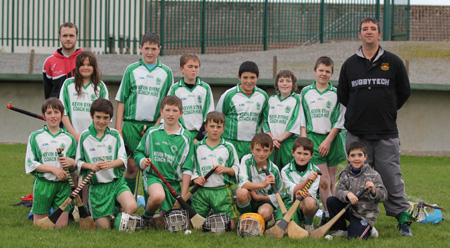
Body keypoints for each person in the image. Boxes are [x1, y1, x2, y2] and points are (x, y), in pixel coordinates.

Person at [337, 17, 412, 236]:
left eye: (373, 29)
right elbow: (343, 95)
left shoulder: (393, 61)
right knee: (356, 179)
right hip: (357, 133)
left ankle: (403, 220)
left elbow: (404, 92)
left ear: (380, 34)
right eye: (364, 29)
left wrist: (386, 110)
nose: (369, 32)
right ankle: (362, 220)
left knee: (390, 178)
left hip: (385, 131)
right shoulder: (350, 64)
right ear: (359, 34)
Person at [115, 33, 174, 195]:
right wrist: (119, 129)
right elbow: (121, 100)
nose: (150, 52)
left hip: (154, 125)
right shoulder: (132, 69)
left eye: (153, 49)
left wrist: (155, 127)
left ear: (159, 49)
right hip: (131, 124)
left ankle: (150, 209)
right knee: (132, 165)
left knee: (152, 166)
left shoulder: (166, 72)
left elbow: (168, 104)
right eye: (146, 48)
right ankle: (127, 205)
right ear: (141, 48)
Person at [76, 98, 137, 229]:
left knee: (132, 206)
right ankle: (113, 216)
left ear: (110, 118)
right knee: (104, 228)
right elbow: (78, 163)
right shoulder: (85, 136)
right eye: (98, 117)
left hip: (116, 183)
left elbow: (123, 159)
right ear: (92, 116)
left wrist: (109, 164)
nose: (102, 121)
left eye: (106, 118)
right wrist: (91, 166)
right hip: (97, 188)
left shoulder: (115, 135)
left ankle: (118, 218)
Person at [299, 56, 346, 226]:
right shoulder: (305, 92)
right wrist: (305, 138)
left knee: (332, 180)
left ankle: (333, 216)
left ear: (332, 73)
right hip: (313, 139)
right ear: (315, 71)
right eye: (321, 70)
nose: (324, 74)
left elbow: (340, 119)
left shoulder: (336, 93)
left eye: (327, 71)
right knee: (323, 181)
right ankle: (328, 215)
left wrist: (328, 140)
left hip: (332, 139)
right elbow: (301, 116)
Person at [134, 95, 194, 222]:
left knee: (169, 220)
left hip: (173, 183)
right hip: (153, 177)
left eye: (175, 110)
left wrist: (183, 195)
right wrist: (142, 161)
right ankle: (145, 218)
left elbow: (187, 168)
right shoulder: (152, 132)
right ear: (161, 112)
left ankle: (156, 218)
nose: (170, 114)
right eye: (167, 110)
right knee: (158, 197)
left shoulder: (186, 137)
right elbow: (138, 153)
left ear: (181, 113)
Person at [25, 97, 77, 228]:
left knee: (61, 226)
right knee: (40, 225)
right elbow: (31, 163)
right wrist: (53, 169)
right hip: (44, 185)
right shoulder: (36, 136)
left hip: (63, 186)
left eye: (56, 112)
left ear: (62, 115)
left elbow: (76, 165)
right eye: (49, 113)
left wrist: (71, 162)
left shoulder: (69, 139)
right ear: (44, 116)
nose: (53, 116)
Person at [327, 141, 388, 240]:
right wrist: (347, 194)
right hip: (349, 209)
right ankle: (340, 229)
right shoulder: (344, 173)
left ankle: (369, 228)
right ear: (348, 157)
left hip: (364, 215)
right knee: (331, 200)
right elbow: (338, 191)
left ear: (365, 157)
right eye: (353, 155)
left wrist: (373, 190)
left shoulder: (374, 175)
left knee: (355, 238)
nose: (356, 159)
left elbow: (384, 195)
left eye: (360, 155)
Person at [191, 111, 240, 229]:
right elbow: (191, 168)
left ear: (223, 128)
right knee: (195, 226)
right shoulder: (197, 147)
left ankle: (214, 214)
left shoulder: (228, 147)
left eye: (218, 127)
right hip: (201, 192)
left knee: (231, 226)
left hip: (222, 191)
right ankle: (210, 214)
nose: (215, 130)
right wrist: (196, 178)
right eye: (212, 126)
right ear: (205, 127)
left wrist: (226, 169)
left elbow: (236, 168)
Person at [216, 61, 268, 160]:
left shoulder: (263, 96)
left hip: (252, 144)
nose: (249, 81)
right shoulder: (229, 95)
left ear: (258, 77)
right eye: (245, 77)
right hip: (231, 142)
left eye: (252, 77)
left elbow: (263, 119)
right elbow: (218, 118)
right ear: (239, 77)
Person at [59, 51, 109, 142]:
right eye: (82, 64)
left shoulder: (100, 86)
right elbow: (63, 113)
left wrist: (94, 136)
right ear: (77, 67)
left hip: (93, 138)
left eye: (89, 65)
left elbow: (104, 115)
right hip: (72, 137)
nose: (86, 68)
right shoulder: (68, 84)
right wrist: (75, 135)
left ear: (94, 67)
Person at [167, 53, 214, 143]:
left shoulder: (205, 88)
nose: (193, 70)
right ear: (181, 69)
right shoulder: (175, 89)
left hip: (200, 137)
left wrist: (198, 138)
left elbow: (209, 115)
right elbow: (170, 113)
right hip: (180, 136)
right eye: (190, 66)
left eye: (196, 67)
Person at [236, 133, 281, 224]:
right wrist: (263, 184)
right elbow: (243, 184)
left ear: (271, 151)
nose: (261, 154)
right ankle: (245, 218)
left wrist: (259, 198)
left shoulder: (274, 170)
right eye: (258, 150)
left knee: (264, 214)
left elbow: (279, 195)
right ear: (251, 149)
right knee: (241, 193)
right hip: (249, 199)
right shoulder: (246, 160)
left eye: (265, 150)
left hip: (264, 201)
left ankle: (270, 217)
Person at [278, 137, 320, 233]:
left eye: (306, 154)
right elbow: (293, 191)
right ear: (293, 153)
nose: (302, 157)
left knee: (309, 203)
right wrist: (307, 180)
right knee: (283, 230)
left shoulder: (316, 171)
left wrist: (305, 194)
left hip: (306, 201)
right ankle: (286, 220)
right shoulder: (285, 170)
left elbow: (311, 194)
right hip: (291, 203)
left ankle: (308, 225)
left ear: (311, 155)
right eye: (299, 153)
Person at [263, 70, 301, 168]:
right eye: (281, 81)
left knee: (290, 174)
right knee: (272, 174)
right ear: (276, 84)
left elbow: (295, 121)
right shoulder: (271, 100)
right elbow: (265, 120)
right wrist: (271, 138)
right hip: (272, 143)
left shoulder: (296, 100)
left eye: (288, 81)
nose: (284, 84)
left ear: (293, 84)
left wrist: (281, 138)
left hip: (289, 143)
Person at [43, 22, 83, 99]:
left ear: (77, 36)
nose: (68, 39)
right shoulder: (49, 62)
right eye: (65, 35)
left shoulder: (85, 59)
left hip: (80, 108)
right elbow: (48, 93)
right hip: (58, 109)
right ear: (59, 37)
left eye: (71, 35)